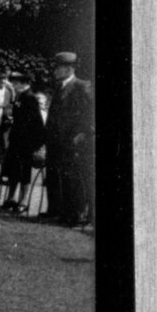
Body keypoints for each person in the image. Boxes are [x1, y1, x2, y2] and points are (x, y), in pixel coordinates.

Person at [43, 51, 94, 226]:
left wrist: (83, 133)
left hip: (72, 141)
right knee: (55, 175)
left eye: (58, 68)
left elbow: (90, 114)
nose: (54, 71)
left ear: (68, 69)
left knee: (72, 178)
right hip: (56, 140)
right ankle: (56, 210)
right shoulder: (59, 87)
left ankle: (75, 214)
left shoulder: (82, 86)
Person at [0, 69, 47, 212]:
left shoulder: (30, 98)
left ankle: (23, 201)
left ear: (22, 83)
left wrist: (36, 144)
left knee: (24, 172)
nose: (13, 85)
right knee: (13, 170)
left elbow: (36, 122)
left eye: (15, 82)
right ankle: (11, 198)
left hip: (26, 142)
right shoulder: (20, 96)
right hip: (17, 140)